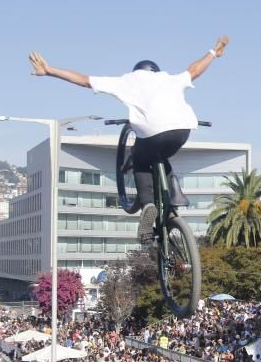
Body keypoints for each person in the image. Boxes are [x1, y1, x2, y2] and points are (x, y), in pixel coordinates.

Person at [28, 36, 229, 244]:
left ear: (136, 72)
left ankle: (148, 205)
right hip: (183, 130)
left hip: (153, 132)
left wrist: (50, 71)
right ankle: (174, 198)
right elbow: (195, 69)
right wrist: (214, 52)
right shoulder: (169, 78)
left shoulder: (126, 81)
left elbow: (84, 80)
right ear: (156, 72)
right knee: (162, 155)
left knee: (140, 160)